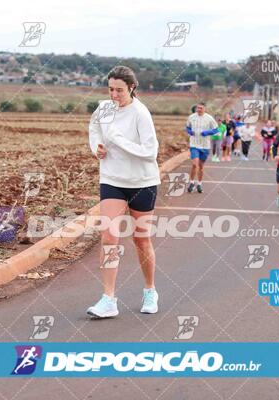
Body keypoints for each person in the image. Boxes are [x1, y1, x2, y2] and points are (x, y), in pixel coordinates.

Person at [87, 65, 161, 318]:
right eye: (110, 89)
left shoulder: (141, 113)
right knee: (109, 237)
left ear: (132, 88)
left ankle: (150, 290)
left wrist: (117, 140)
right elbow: (94, 128)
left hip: (142, 181)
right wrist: (96, 146)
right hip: (112, 179)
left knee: (141, 239)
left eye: (119, 90)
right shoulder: (104, 108)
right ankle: (109, 299)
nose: (114, 95)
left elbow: (150, 152)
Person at [185, 102, 218, 193]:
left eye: (201, 108)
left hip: (205, 145)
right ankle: (191, 183)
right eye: (198, 108)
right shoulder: (191, 117)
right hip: (194, 144)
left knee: (201, 166)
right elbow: (187, 127)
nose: (199, 110)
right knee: (194, 164)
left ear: (205, 109)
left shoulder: (209, 118)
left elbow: (216, 130)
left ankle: (199, 183)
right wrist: (189, 132)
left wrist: (207, 133)